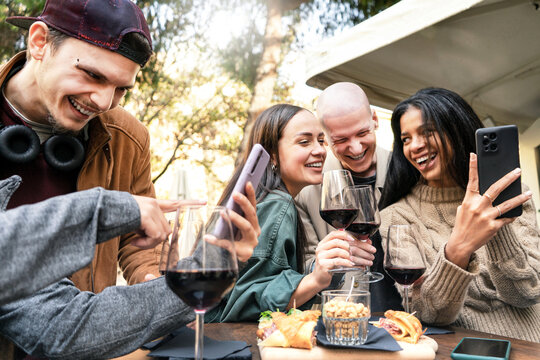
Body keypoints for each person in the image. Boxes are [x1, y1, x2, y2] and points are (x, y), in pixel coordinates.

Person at [0, 177, 261, 359]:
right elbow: (61, 326)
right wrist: (105, 211)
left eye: (121, 93)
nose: (103, 103)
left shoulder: (125, 134)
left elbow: (64, 321)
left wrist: (217, 259)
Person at [0, 0, 160, 293]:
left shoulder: (130, 138)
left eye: (121, 89)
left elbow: (138, 240)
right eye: (93, 75)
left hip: (78, 336)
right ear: (39, 43)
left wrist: (157, 285)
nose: (103, 102)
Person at [379, 87, 540, 341]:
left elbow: (527, 292)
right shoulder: (396, 217)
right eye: (406, 138)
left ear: (457, 130)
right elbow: (428, 312)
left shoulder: (516, 196)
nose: (415, 146)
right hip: (464, 352)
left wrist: (494, 220)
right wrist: (458, 248)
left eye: (427, 132)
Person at [207, 104, 357, 322]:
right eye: (304, 142)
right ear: (273, 156)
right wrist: (316, 279)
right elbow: (246, 299)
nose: (320, 150)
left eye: (321, 140)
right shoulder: (278, 203)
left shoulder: (264, 199)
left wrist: (325, 267)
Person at [0, 175, 205, 305]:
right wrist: (103, 210)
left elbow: (139, 235)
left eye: (118, 101)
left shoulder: (130, 136)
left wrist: (153, 280)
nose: (103, 103)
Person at [296, 82, 402, 312]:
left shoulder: (407, 172)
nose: (355, 148)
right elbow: (300, 272)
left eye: (362, 133)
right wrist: (324, 262)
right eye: (341, 140)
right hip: (342, 321)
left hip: (406, 321)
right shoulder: (307, 189)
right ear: (325, 138)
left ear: (375, 119)